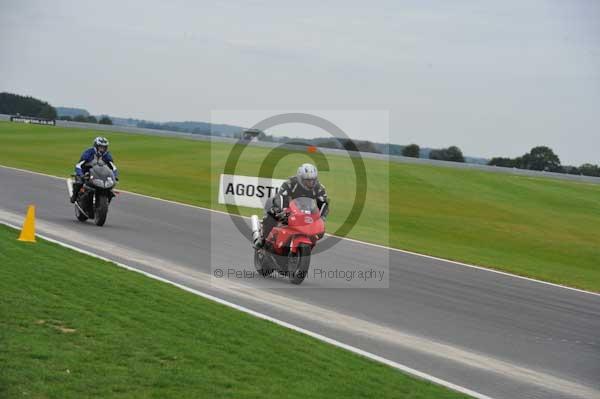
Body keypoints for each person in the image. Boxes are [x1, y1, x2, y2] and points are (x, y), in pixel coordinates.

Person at [255, 163, 329, 248]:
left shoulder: (319, 187)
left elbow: (324, 203)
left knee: (320, 232)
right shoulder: (289, 183)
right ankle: (262, 239)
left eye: (313, 180)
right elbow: (281, 197)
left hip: (306, 212)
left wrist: (322, 218)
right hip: (287, 209)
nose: (311, 183)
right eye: (308, 180)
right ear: (300, 179)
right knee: (272, 214)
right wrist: (280, 210)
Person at [70, 137, 119, 203]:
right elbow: (78, 165)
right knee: (79, 182)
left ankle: (106, 202)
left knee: (110, 189)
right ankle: (74, 196)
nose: (102, 149)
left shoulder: (107, 155)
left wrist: (115, 176)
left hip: (99, 174)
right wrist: (81, 175)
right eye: (100, 147)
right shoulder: (88, 153)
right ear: (96, 146)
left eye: (104, 147)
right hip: (86, 172)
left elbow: (114, 167)